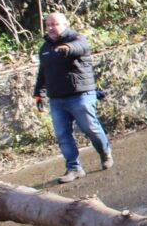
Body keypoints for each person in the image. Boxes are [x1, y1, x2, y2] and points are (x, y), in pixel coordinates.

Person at [33, 12, 113, 183]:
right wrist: (38, 93)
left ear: (64, 24)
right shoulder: (45, 48)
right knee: (62, 135)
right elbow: (43, 72)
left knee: (90, 128)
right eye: (48, 25)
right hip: (57, 99)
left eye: (54, 24)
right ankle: (74, 168)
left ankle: (104, 151)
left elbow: (80, 47)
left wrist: (67, 49)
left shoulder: (76, 38)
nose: (50, 28)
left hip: (81, 95)